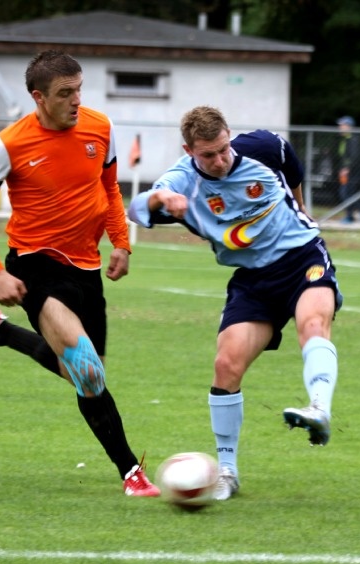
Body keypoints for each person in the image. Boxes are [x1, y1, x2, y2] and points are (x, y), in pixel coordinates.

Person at [0, 50, 159, 498]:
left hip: (86, 267)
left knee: (83, 375)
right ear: (39, 98)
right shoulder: (8, 144)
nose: (76, 101)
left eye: (79, 90)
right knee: (87, 372)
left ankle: (1, 333)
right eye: (65, 94)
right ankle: (132, 473)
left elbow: (108, 188)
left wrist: (121, 241)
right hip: (35, 266)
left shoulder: (99, 127)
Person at [127, 106, 343, 501]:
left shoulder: (261, 146)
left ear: (229, 135)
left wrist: (300, 207)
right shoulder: (182, 181)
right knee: (226, 364)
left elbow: (288, 158)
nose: (219, 160)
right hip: (253, 280)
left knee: (313, 324)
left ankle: (319, 408)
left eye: (223, 149)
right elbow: (136, 208)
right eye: (207, 155)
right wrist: (162, 197)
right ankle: (226, 470)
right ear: (189, 150)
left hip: (301, 258)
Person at [336, 115, 360, 223]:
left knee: (347, 193)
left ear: (349, 127)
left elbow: (354, 156)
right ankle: (356, 213)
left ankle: (355, 213)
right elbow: (344, 157)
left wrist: (347, 168)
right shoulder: (345, 139)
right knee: (345, 193)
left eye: (342, 125)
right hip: (346, 171)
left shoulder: (353, 139)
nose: (340, 128)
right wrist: (341, 169)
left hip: (353, 171)